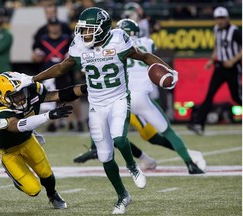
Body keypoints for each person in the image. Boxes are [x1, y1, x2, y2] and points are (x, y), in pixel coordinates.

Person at [13, 7, 178, 214]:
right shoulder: (80, 45)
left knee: (119, 138)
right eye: (82, 29)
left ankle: (133, 166)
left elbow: (144, 57)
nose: (84, 34)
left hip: (118, 97)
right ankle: (122, 196)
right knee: (105, 156)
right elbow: (63, 67)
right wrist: (33, 78)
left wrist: (169, 71)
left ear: (102, 29)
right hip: (96, 103)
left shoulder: (119, 40)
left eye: (88, 29)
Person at [73, 19, 206, 175]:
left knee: (108, 131)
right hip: (142, 98)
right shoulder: (147, 43)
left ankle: (96, 148)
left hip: (121, 97)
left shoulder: (111, 45)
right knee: (168, 131)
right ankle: (190, 164)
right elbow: (149, 54)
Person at [0, 71, 87, 209]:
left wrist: (85, 88)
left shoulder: (31, 90)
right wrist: (48, 116)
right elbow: (18, 125)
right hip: (8, 150)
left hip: (27, 140)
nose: (20, 97)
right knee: (33, 189)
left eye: (21, 92)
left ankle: (53, 195)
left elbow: (58, 95)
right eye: (14, 95)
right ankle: (13, 175)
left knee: (46, 172)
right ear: (3, 97)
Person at [188, 6, 242, 136]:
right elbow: (217, 46)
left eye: (222, 18)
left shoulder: (234, 31)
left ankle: (199, 124)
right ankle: (199, 124)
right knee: (210, 94)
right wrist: (212, 60)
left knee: (236, 97)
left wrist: (233, 61)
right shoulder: (216, 29)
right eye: (218, 18)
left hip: (232, 68)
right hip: (219, 67)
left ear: (227, 18)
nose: (220, 21)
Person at [32, 17, 84, 132]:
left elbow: (75, 55)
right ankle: (53, 123)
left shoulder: (68, 39)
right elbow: (35, 56)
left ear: (60, 26)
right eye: (51, 25)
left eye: (56, 25)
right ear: (48, 27)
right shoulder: (42, 40)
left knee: (71, 96)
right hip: (49, 72)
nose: (54, 27)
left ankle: (76, 122)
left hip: (65, 72)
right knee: (52, 96)